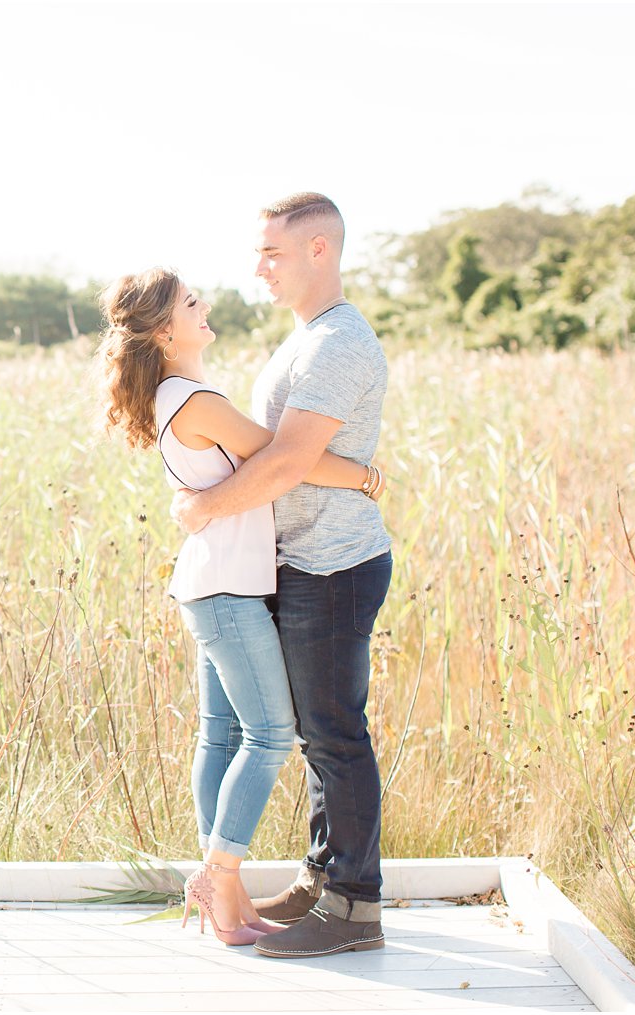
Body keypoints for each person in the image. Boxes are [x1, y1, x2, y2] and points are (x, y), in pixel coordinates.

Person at [96, 267, 384, 947]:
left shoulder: (178, 393)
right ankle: (218, 867)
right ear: (165, 330)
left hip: (213, 583)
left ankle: (224, 900)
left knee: (221, 737)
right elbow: (286, 460)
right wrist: (365, 476)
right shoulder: (192, 398)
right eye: (191, 302)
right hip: (226, 588)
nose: (205, 307)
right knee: (269, 736)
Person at [171, 193, 394, 959]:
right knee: (315, 735)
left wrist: (205, 507)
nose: (258, 266)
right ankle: (322, 878)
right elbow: (274, 451)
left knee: (334, 735)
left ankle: (354, 907)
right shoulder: (303, 339)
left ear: (320, 250)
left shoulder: (337, 343)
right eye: (259, 251)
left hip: (334, 561)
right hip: (300, 559)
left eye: (273, 252)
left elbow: (289, 460)